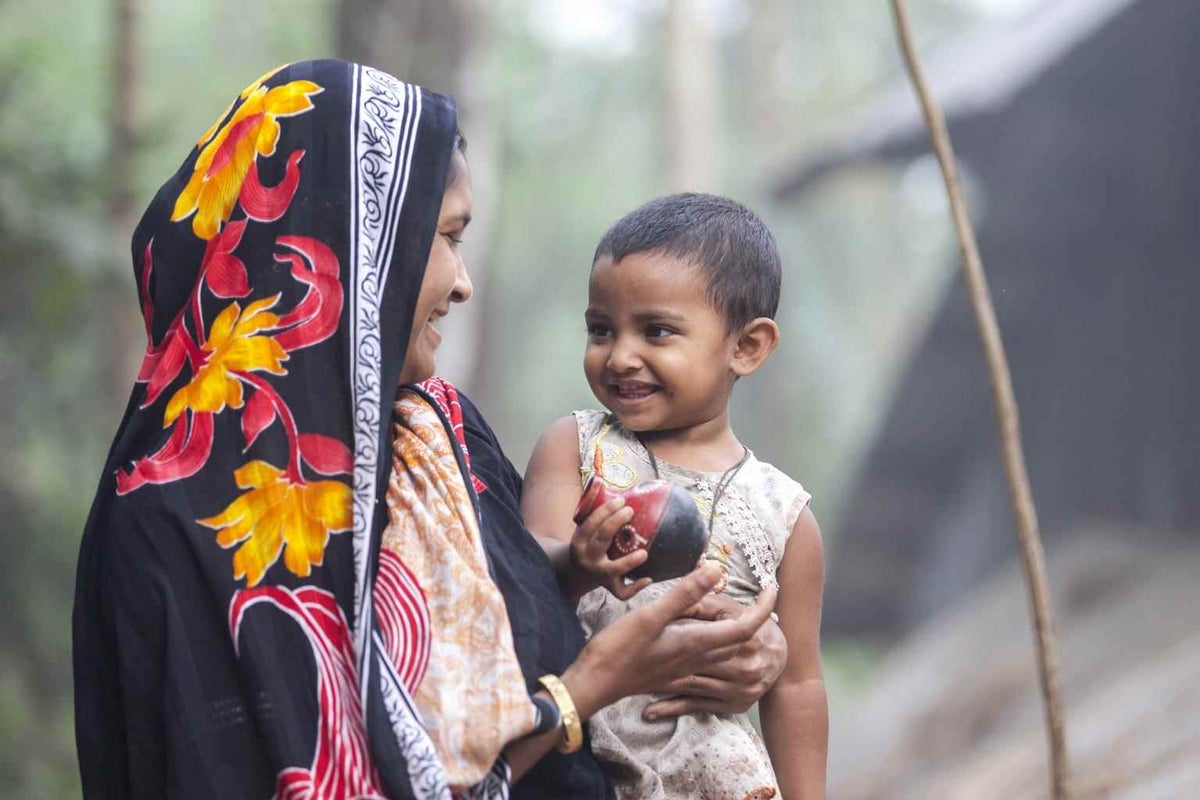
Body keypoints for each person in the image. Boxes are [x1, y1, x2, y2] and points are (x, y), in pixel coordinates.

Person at [73, 60, 787, 800]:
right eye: (446, 238)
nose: (462, 282)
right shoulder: (174, 521)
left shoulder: (434, 428)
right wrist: (589, 689)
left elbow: (501, 601)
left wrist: (714, 642)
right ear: (350, 244)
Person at [521, 193, 829, 799]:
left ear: (747, 347)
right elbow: (525, 584)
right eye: (601, 329)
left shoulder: (784, 515)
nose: (620, 356)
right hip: (579, 762)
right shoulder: (576, 450)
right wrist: (585, 561)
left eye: (656, 331)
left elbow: (796, 686)